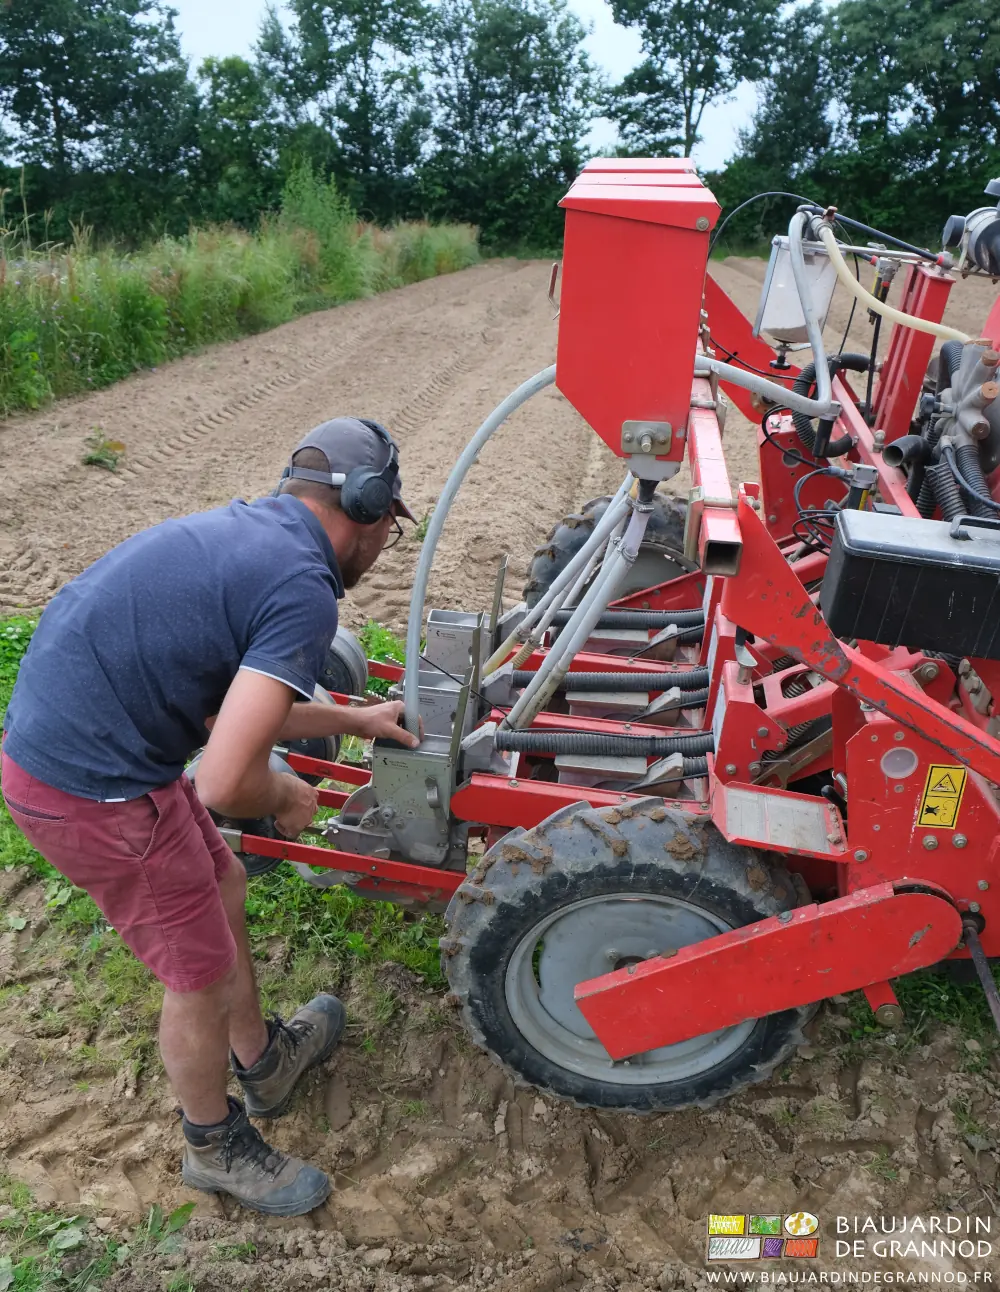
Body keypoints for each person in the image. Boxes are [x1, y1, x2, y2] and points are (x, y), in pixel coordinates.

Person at [1, 416, 418, 1217]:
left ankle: (264, 1063)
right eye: (387, 530)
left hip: (88, 749)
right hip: (95, 790)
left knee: (223, 881)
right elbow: (228, 778)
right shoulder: (303, 587)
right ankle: (213, 1146)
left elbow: (230, 717)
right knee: (195, 974)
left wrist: (357, 721)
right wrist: (288, 795)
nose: (380, 550)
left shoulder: (254, 537)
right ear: (366, 511)